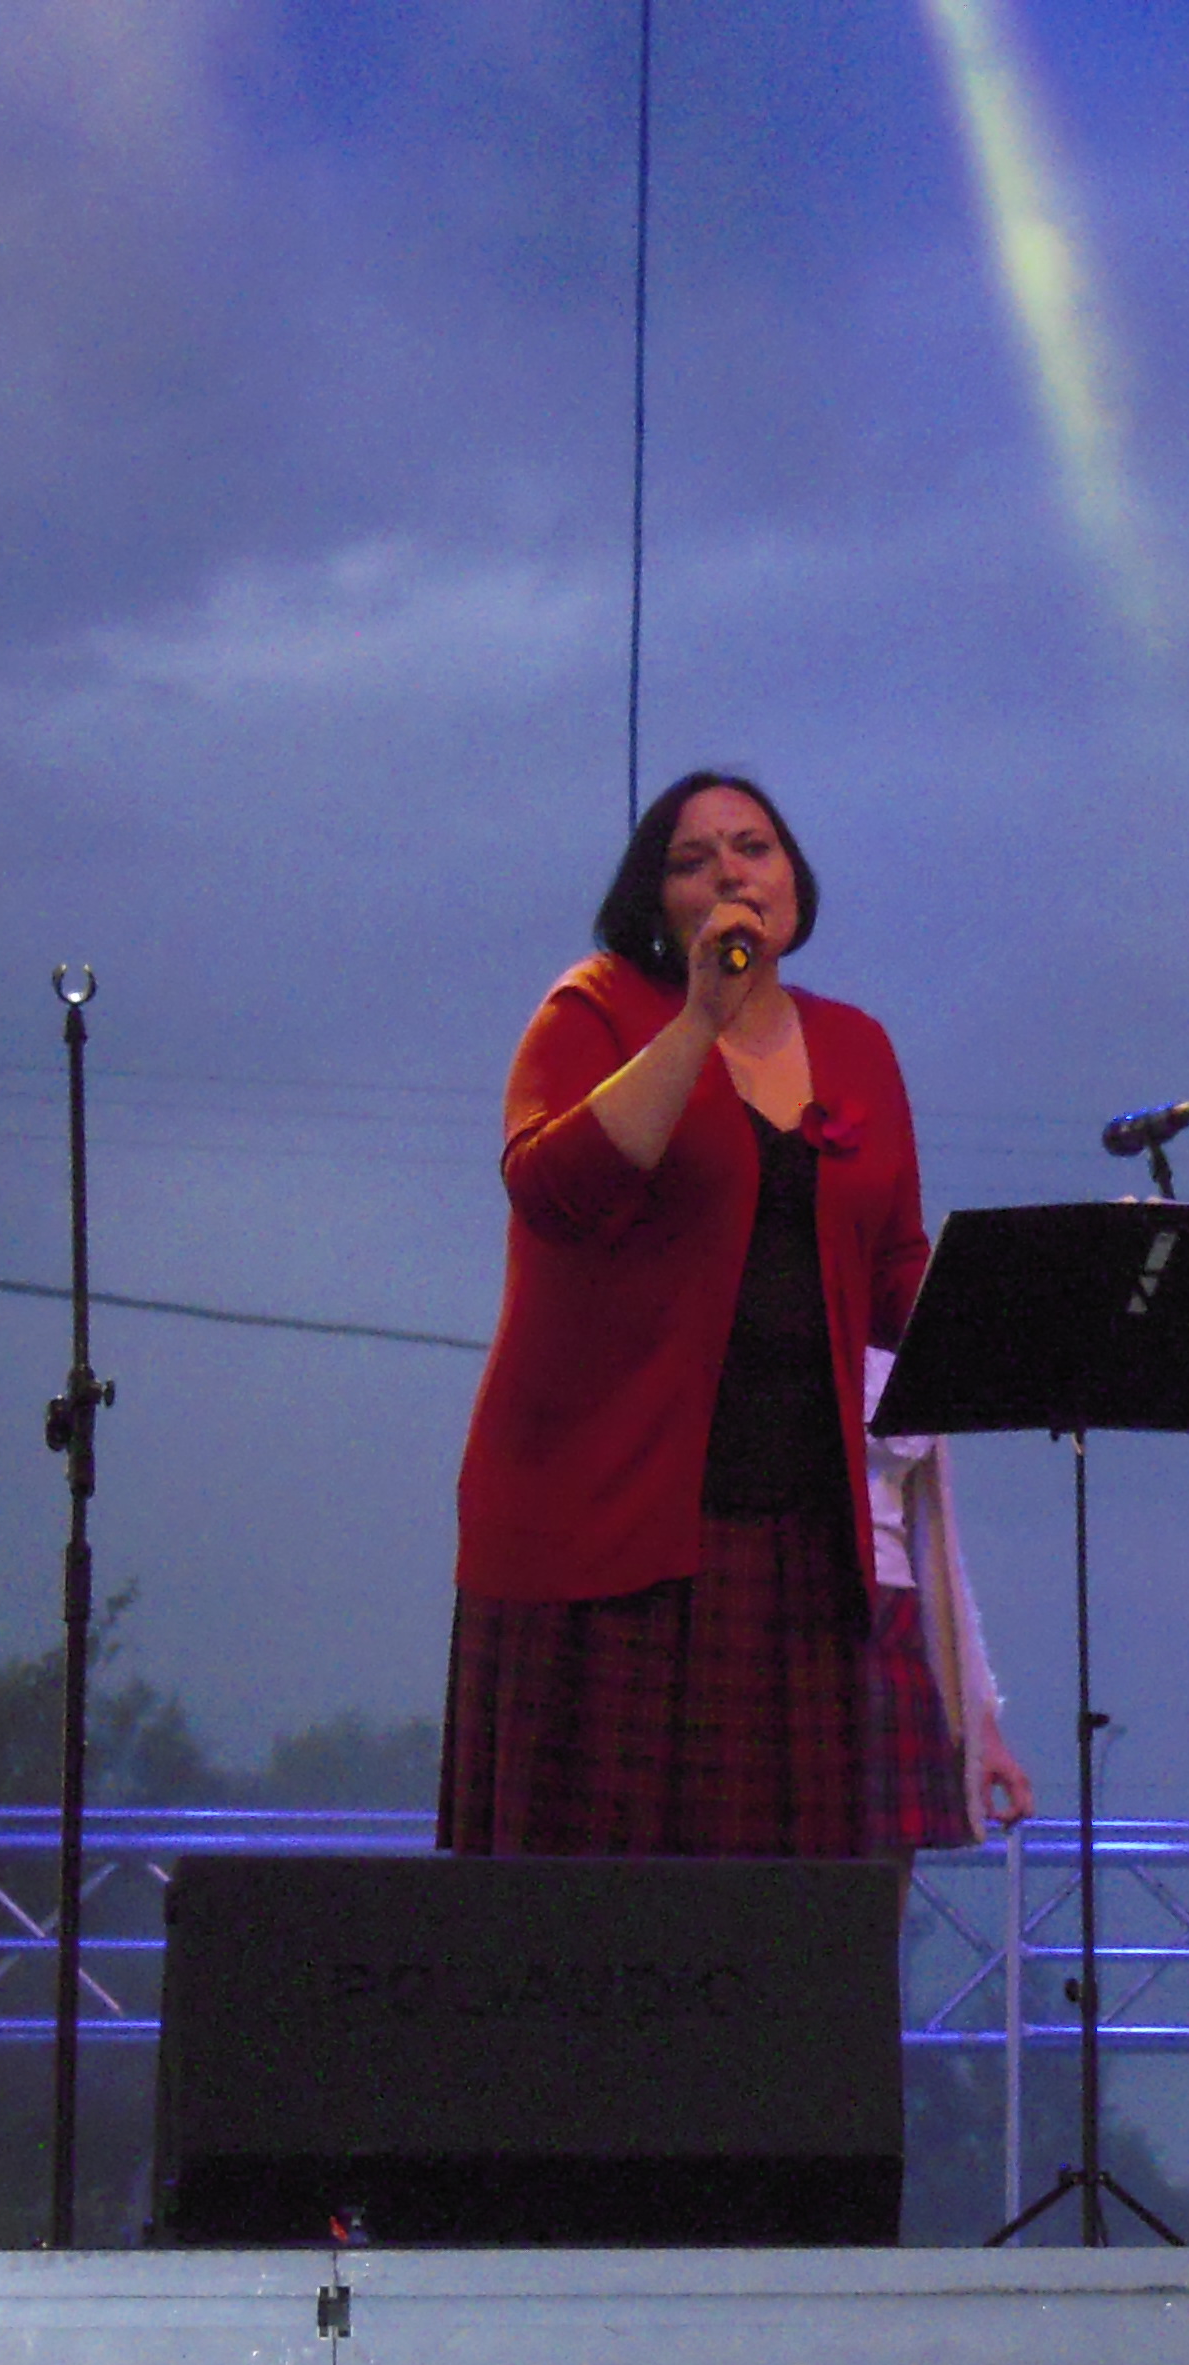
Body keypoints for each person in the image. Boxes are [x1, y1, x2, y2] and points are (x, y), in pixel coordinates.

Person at [441, 770, 928, 1858]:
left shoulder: (857, 1046)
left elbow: (898, 1274)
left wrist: (1053, 1299)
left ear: (792, 877)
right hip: (605, 1525)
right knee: (597, 1900)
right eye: (693, 861)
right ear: (654, 901)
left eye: (754, 847)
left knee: (776, 1907)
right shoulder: (597, 1009)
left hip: (796, 1537)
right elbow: (552, 1190)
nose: (731, 875)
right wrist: (704, 1015)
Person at [860, 1348, 1039, 1854]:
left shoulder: (906, 1344)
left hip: (892, 1617)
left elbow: (938, 1554)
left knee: (881, 1869)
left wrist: (981, 1727)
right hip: (787, 1603)